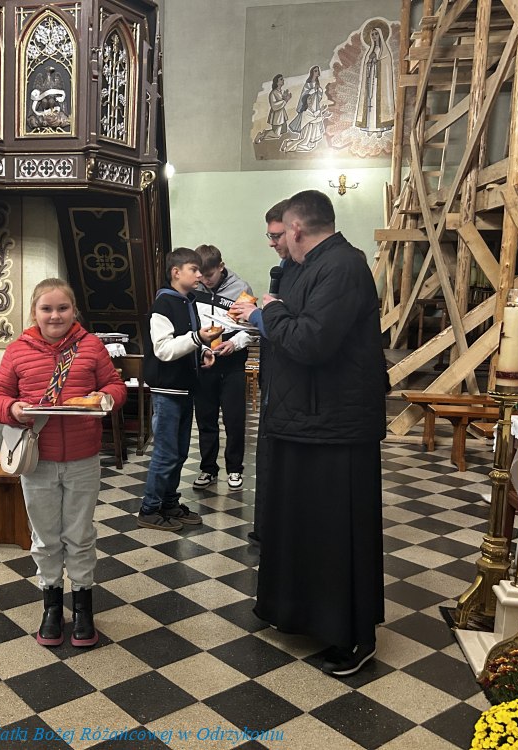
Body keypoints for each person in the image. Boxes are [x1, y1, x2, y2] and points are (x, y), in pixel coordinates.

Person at [231, 190, 386, 678]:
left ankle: (352, 635)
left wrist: (267, 313)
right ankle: (297, 613)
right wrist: (273, 312)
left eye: (283, 233)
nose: (280, 244)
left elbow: (310, 341)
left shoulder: (343, 266)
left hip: (336, 426)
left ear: (296, 228)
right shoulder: (308, 266)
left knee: (336, 533)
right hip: (302, 419)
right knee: (300, 526)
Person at [0, 279, 126, 648]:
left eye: (62, 308)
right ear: (34, 312)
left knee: (80, 535)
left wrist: (103, 398)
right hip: (38, 460)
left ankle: (83, 607)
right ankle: (51, 606)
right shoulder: (18, 350)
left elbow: (115, 386)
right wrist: (13, 408)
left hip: (83, 458)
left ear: (73, 310)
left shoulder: (91, 346)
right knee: (46, 537)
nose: (55, 315)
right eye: (46, 308)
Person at [138, 247, 219, 531]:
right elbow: (163, 349)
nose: (199, 275)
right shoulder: (164, 304)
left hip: (185, 389)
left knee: (180, 452)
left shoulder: (187, 302)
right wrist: (197, 338)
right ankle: (149, 508)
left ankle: (169, 503)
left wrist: (202, 352)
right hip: (167, 391)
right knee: (165, 453)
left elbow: (185, 342)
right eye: (193, 269)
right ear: (176, 272)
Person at [247, 200, 298, 545]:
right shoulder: (286, 268)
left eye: (276, 235)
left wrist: (256, 315)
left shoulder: (311, 272)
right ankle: (266, 528)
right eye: (269, 235)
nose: (272, 242)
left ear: (296, 231)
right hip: (275, 379)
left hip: (291, 388)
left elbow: (292, 332)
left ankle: (277, 532)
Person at [192, 244, 257, 492]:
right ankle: (208, 469)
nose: (205, 281)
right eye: (201, 275)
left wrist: (234, 343)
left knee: (234, 419)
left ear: (221, 266)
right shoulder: (194, 289)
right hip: (204, 359)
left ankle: (235, 469)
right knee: (205, 418)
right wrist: (201, 348)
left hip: (232, 362)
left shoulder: (241, 288)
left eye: (209, 275)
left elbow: (251, 329)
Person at [281, 66, 328, 153]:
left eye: (318, 71)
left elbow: (319, 96)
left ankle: (307, 140)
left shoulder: (317, 83)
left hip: (315, 105)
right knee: (309, 124)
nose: (317, 72)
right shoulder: (308, 84)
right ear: (312, 72)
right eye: (315, 71)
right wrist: (313, 90)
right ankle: (291, 144)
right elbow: (305, 95)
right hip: (309, 106)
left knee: (313, 124)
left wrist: (319, 90)